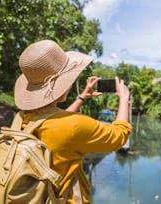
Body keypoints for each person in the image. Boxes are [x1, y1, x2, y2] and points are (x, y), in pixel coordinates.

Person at [14, 39, 132, 204]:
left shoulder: (20, 119)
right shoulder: (74, 126)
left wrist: (82, 97)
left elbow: (55, 122)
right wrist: (124, 99)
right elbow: (120, 136)